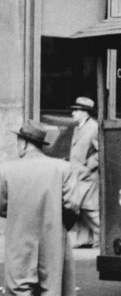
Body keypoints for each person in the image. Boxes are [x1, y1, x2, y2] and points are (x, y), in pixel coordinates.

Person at [1, 120, 80, 296]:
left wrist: (18, 212)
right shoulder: (63, 168)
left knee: (19, 288)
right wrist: (57, 223)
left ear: (23, 143)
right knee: (52, 288)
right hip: (53, 240)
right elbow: (72, 207)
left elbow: (2, 205)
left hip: (19, 241)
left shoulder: (6, 170)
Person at [68, 96, 100, 248]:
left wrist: (89, 166)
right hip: (79, 175)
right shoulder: (78, 127)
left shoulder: (94, 128)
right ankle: (84, 239)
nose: (73, 113)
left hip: (88, 177)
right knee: (81, 208)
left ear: (85, 113)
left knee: (89, 208)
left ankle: (101, 236)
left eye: (76, 110)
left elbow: (102, 151)